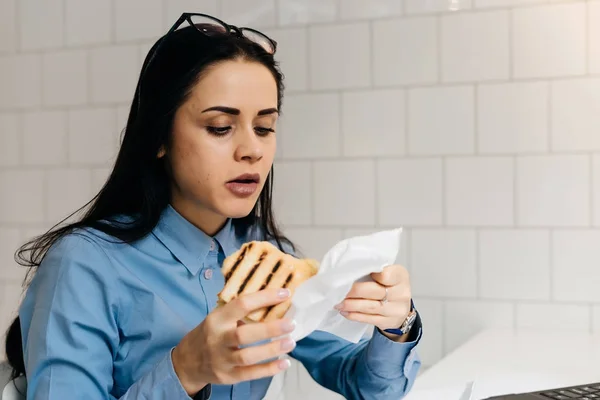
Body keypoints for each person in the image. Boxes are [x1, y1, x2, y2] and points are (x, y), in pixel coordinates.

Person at [3, 13, 422, 400]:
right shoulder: (83, 265)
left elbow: (368, 387)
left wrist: (396, 325)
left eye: (264, 127)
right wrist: (184, 368)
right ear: (159, 138)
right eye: (220, 127)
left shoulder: (263, 256)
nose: (251, 150)